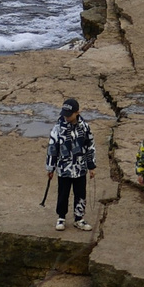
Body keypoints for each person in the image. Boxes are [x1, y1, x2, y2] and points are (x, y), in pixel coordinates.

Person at [46, 98, 96, 230]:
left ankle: (79, 219)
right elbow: (52, 147)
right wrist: (50, 167)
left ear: (77, 112)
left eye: (69, 115)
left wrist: (91, 166)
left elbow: (90, 146)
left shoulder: (85, 127)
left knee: (80, 193)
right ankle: (61, 217)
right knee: (63, 193)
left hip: (80, 168)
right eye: (64, 114)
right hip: (63, 168)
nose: (66, 117)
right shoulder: (58, 128)